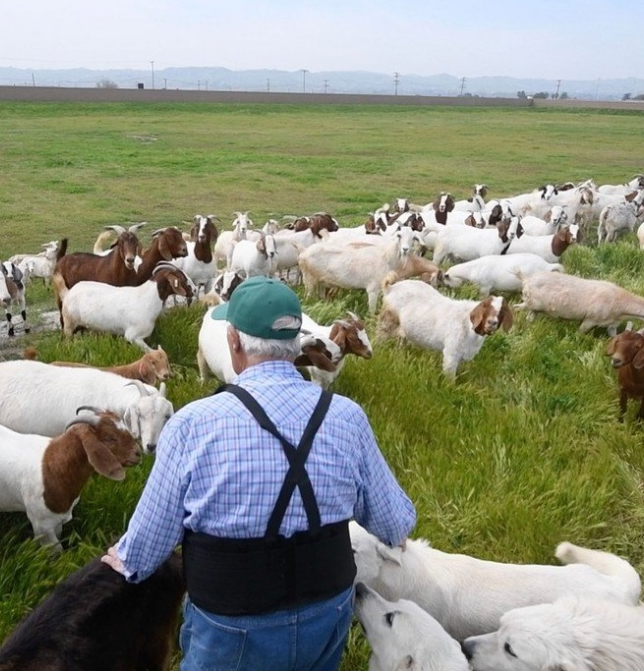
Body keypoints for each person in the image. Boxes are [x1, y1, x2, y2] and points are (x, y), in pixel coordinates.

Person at [101, 275, 416, 671]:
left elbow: (143, 552)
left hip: (232, 625)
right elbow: (395, 525)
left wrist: (122, 561)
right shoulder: (347, 417)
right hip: (327, 612)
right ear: (297, 342)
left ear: (234, 342)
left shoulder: (193, 424)